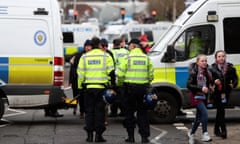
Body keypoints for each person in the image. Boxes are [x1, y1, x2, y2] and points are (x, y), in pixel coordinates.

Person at [77, 37, 115, 142]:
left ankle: (89, 136)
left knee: (89, 112)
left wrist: (80, 88)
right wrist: (112, 86)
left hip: (88, 88)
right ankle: (99, 136)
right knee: (100, 112)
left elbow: (80, 74)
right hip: (101, 88)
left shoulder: (84, 57)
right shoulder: (106, 56)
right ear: (99, 45)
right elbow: (111, 73)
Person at [117, 38, 154, 143]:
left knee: (129, 113)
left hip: (129, 89)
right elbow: (151, 75)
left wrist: (120, 84)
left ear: (133, 46)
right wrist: (146, 82)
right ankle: (144, 137)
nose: (128, 47)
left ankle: (131, 137)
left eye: (129, 45)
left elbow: (120, 74)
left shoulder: (127, 58)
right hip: (143, 88)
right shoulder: (146, 58)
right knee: (143, 113)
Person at [210, 50, 238, 139]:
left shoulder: (230, 67)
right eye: (219, 56)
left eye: (223, 56)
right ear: (216, 58)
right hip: (217, 93)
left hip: (226, 93)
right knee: (221, 111)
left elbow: (235, 79)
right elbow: (208, 80)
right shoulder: (212, 68)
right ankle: (224, 131)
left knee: (220, 111)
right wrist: (214, 81)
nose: (221, 58)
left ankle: (216, 129)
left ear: (225, 57)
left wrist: (233, 84)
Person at [187, 54, 213, 143]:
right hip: (196, 96)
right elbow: (189, 85)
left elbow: (210, 82)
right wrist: (201, 88)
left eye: (205, 61)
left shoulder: (208, 72)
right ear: (197, 62)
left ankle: (191, 133)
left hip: (204, 96)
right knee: (205, 113)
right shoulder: (194, 72)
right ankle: (204, 134)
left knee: (198, 118)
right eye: (202, 61)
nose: (204, 62)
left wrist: (212, 85)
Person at [69, 39, 92, 117]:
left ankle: (83, 111)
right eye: (87, 46)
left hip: (87, 80)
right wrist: (71, 80)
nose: (88, 48)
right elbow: (72, 69)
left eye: (89, 46)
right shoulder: (78, 55)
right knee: (77, 95)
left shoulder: (92, 55)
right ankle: (76, 108)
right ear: (84, 47)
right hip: (77, 79)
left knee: (84, 97)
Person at [109, 38, 129, 117]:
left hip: (115, 75)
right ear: (120, 44)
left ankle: (114, 112)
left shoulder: (111, 52)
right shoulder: (126, 52)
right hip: (125, 75)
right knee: (123, 95)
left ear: (113, 44)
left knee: (114, 94)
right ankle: (123, 111)